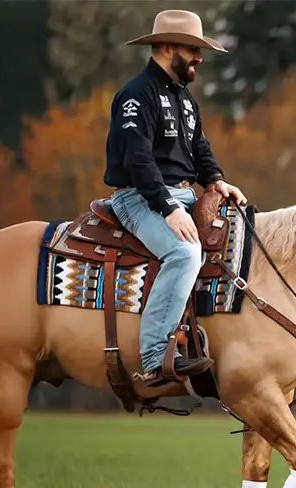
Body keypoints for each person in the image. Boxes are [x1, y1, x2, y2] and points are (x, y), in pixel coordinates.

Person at [105, 9, 247, 379]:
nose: (199, 58)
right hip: (139, 198)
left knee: (244, 237)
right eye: (192, 49)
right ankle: (155, 358)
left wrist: (215, 180)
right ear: (167, 47)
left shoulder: (185, 99)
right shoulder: (136, 95)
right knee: (184, 253)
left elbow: (198, 148)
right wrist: (169, 208)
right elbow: (137, 160)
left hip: (181, 195)